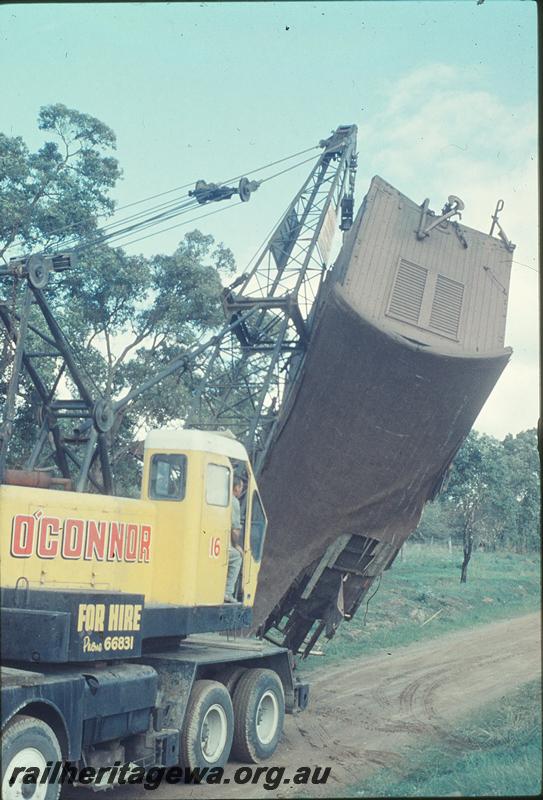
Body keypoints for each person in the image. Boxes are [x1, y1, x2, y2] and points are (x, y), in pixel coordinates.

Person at [224, 476, 244, 603]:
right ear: (236, 487)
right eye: (241, 488)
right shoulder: (234, 502)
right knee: (237, 557)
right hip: (222, 544)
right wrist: (236, 545)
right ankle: (227, 592)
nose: (241, 491)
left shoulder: (219, 496)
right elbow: (235, 529)